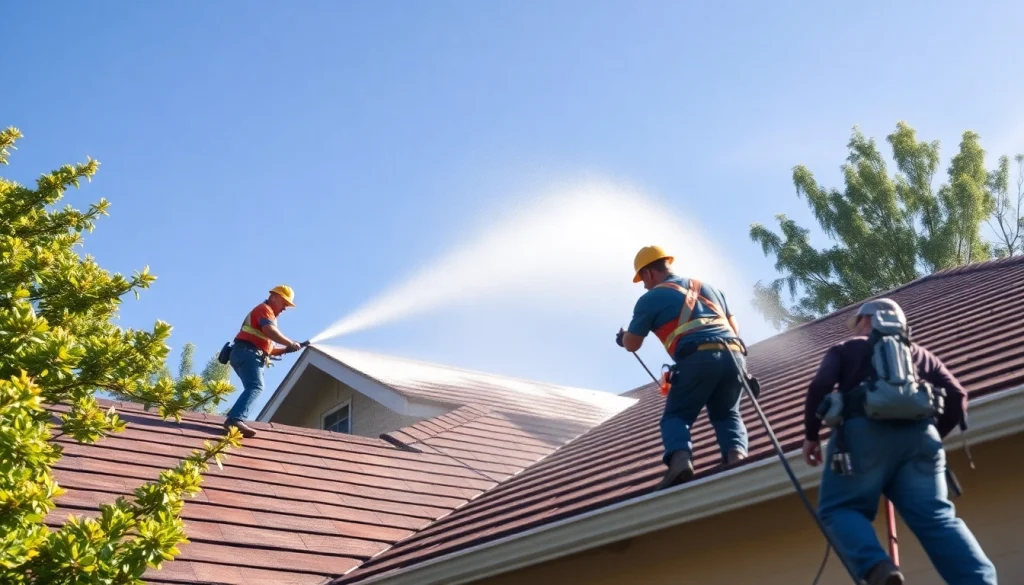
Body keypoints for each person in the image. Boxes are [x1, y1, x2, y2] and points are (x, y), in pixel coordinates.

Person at [803, 298, 997, 585]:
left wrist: (810, 435)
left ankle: (878, 568)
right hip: (921, 440)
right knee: (937, 519)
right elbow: (956, 395)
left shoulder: (848, 348)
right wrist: (931, 435)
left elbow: (820, 385)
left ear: (867, 321)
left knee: (839, 508)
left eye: (856, 323)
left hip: (862, 436)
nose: (853, 330)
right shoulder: (919, 354)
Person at [617, 245, 750, 490]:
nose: (644, 286)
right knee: (727, 412)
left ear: (649, 273)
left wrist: (623, 338)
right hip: (734, 356)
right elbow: (734, 326)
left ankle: (680, 460)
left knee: (676, 416)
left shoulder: (651, 298)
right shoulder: (710, 288)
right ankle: (737, 458)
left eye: (643, 280)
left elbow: (633, 343)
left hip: (697, 358)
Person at [223, 285, 305, 438]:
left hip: (244, 353)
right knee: (256, 386)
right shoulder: (264, 309)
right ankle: (234, 419)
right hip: (246, 353)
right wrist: (289, 343)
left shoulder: (269, 317)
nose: (285, 308)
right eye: (285, 303)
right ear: (274, 297)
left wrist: (286, 349)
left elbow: (269, 348)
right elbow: (270, 332)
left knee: (253, 386)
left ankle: (235, 418)